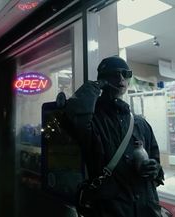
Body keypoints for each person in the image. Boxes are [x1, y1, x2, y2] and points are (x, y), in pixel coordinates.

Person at [63, 56, 164, 217]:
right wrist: (96, 85)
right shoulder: (93, 120)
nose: (121, 78)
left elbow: (157, 167)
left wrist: (155, 169)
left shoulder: (140, 123)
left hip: (146, 208)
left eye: (126, 74)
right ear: (103, 80)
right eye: (114, 74)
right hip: (110, 210)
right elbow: (74, 115)